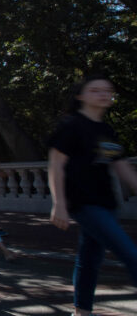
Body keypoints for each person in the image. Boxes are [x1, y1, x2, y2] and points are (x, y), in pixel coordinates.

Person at [49, 75, 137, 316]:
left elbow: (121, 167)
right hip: (83, 202)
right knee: (130, 254)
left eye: (107, 90)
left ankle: (81, 311)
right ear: (81, 96)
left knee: (90, 259)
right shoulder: (72, 125)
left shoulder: (106, 130)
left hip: (107, 201)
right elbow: (56, 164)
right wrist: (59, 204)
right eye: (95, 90)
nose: (103, 94)